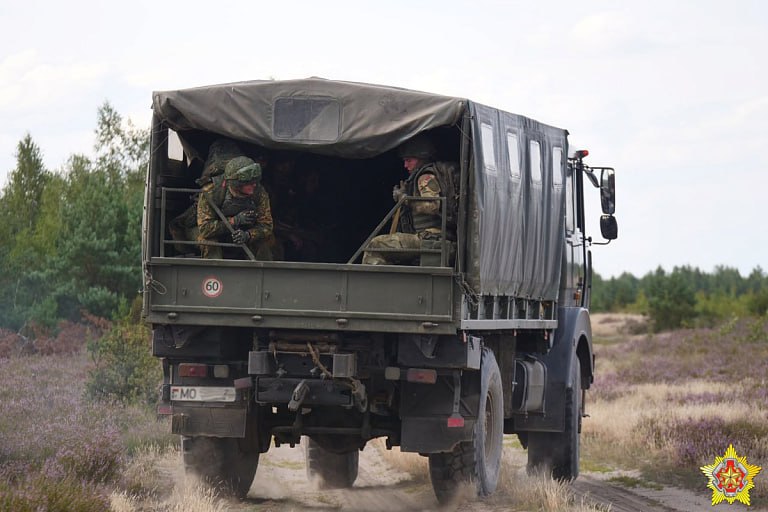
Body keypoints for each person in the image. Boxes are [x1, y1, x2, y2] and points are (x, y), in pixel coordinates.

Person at [362, 134, 453, 265]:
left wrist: (406, 199)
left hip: (431, 237)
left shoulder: (426, 177)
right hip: (429, 237)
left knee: (375, 245)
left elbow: (433, 206)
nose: (405, 165)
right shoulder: (428, 174)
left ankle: (375, 284)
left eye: (409, 160)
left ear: (421, 158)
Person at [197, 156, 274, 260]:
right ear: (236, 183)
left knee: (266, 241)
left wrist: (248, 235)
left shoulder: (259, 193)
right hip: (213, 232)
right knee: (209, 243)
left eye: (255, 181)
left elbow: (266, 226)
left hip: (244, 232)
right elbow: (205, 229)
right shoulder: (212, 191)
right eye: (249, 183)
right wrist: (234, 221)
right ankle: (214, 274)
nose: (254, 185)